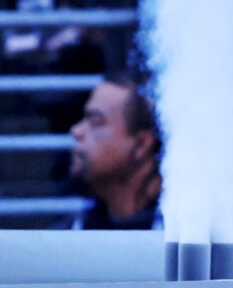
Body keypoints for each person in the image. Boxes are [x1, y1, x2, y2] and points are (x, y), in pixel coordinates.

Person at [61, 73, 159, 231]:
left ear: (141, 145)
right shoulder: (67, 240)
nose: (76, 131)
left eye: (95, 121)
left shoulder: (188, 240)